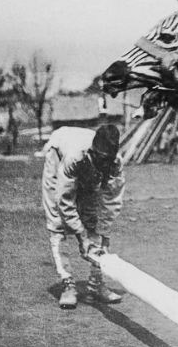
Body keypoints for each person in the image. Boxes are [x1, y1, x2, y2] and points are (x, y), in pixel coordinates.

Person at [41, 124, 126, 309]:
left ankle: (96, 283)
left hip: (86, 164)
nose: (105, 165)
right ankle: (68, 283)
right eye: (102, 159)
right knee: (57, 222)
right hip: (58, 156)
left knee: (95, 221)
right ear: (92, 152)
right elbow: (65, 200)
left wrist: (102, 232)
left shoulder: (115, 163)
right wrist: (81, 235)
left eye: (108, 161)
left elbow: (111, 202)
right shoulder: (74, 156)